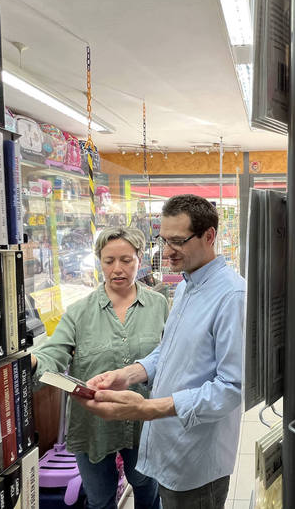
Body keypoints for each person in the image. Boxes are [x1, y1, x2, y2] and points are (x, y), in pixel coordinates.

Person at [80, 194, 246, 509]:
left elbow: (232, 388)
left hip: (196, 461)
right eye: (163, 239)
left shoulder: (232, 296)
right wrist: (126, 375)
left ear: (209, 236)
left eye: (178, 241)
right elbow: (168, 351)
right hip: (168, 449)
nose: (166, 251)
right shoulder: (185, 286)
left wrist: (147, 409)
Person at [31, 227, 167, 509]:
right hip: (93, 424)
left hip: (143, 421)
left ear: (140, 259)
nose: (118, 269)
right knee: (100, 499)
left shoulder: (159, 305)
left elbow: (170, 355)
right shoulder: (79, 312)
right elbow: (53, 355)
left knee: (148, 492)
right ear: (99, 262)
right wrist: (33, 363)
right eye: (109, 261)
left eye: (126, 260)